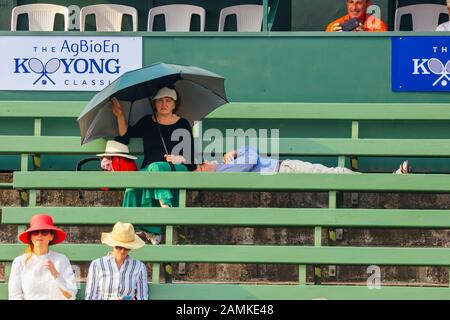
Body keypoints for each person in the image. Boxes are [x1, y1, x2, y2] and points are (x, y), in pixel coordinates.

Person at [111, 87, 194, 245]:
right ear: (154, 103)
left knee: (155, 167)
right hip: (150, 170)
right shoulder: (148, 121)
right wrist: (120, 115)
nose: (164, 104)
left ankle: (166, 204)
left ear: (174, 104)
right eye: (160, 101)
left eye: (168, 100)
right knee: (131, 185)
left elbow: (189, 159)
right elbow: (125, 135)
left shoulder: (183, 124)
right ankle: (127, 228)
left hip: (176, 169)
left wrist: (176, 158)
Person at [195, 145, 410, 174]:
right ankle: (391, 179)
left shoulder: (223, 166)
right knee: (334, 173)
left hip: (284, 167)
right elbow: (252, 157)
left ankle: (390, 179)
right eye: (200, 165)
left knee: (335, 173)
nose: (206, 162)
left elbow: (250, 150)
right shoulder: (223, 172)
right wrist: (237, 153)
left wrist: (235, 150)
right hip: (284, 170)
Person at [8, 214, 77, 300]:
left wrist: (56, 275)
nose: (39, 235)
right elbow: (14, 296)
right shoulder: (19, 262)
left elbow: (71, 296)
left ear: (51, 236)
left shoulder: (62, 260)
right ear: (31, 237)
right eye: (35, 232)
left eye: (44, 232)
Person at [85, 222, 148, 300]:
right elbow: (90, 297)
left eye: (127, 248)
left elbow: (142, 297)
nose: (122, 251)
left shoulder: (139, 267)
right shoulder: (97, 265)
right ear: (113, 245)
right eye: (119, 247)